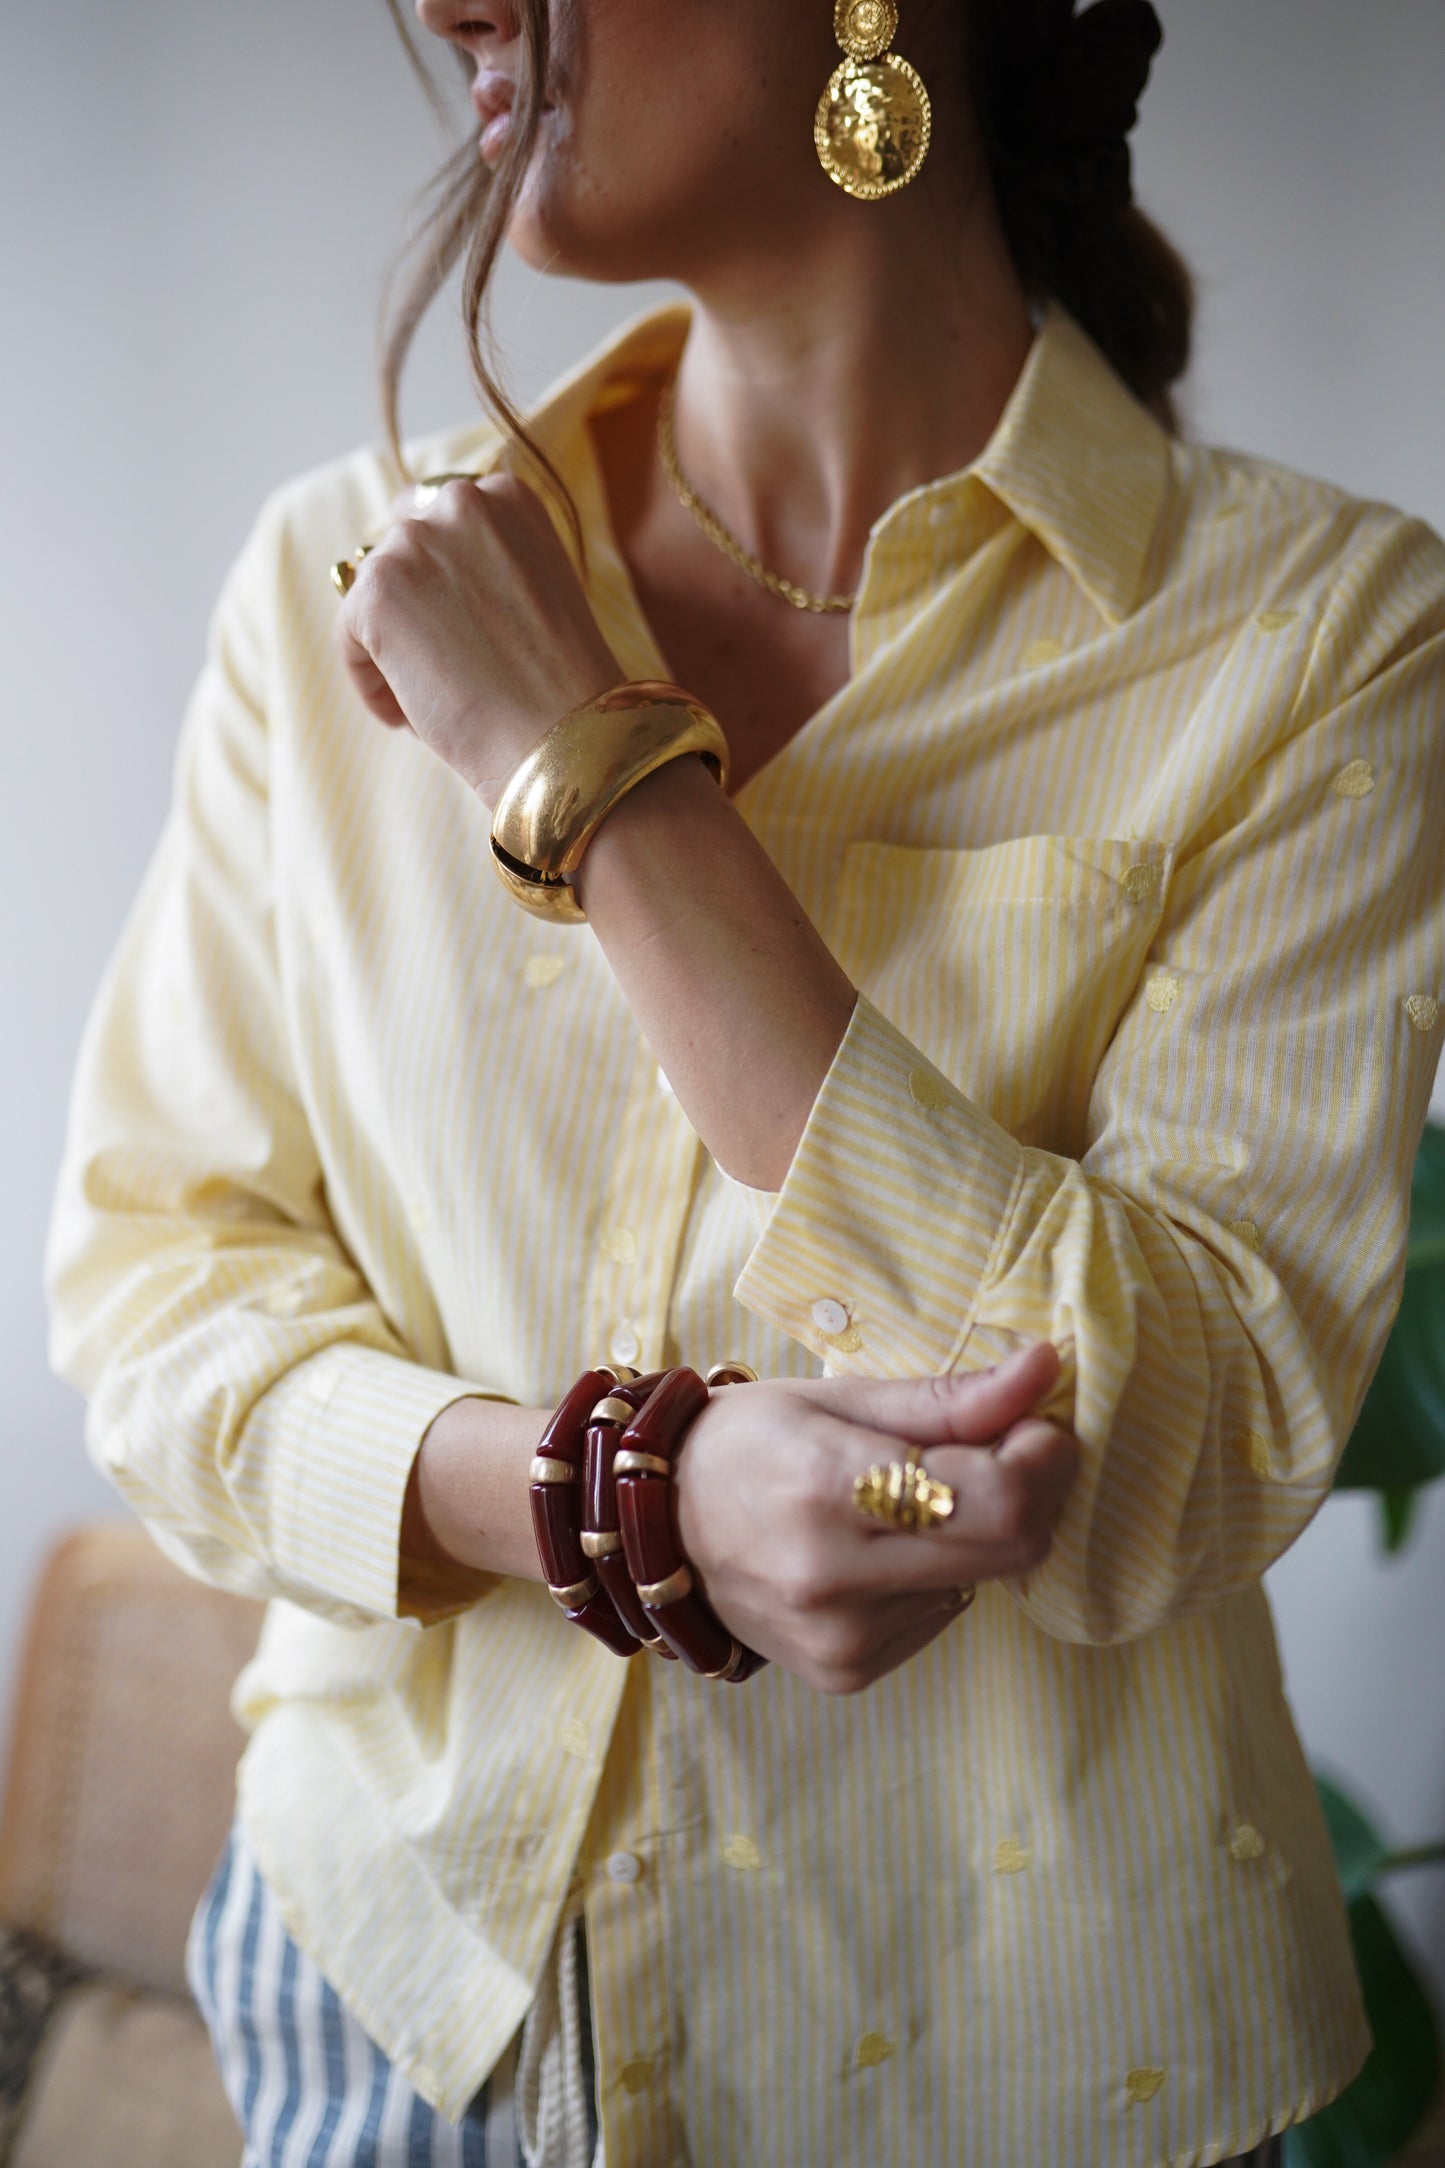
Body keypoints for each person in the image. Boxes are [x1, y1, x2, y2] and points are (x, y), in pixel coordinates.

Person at [44, 0, 1445, 2162]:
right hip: (401, 1997)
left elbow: (1179, 1457)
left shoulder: (1320, 637)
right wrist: (626, 1499)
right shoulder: (345, 576)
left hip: (1030, 2073)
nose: (446, 9)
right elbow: (154, 1305)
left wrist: (598, 788)